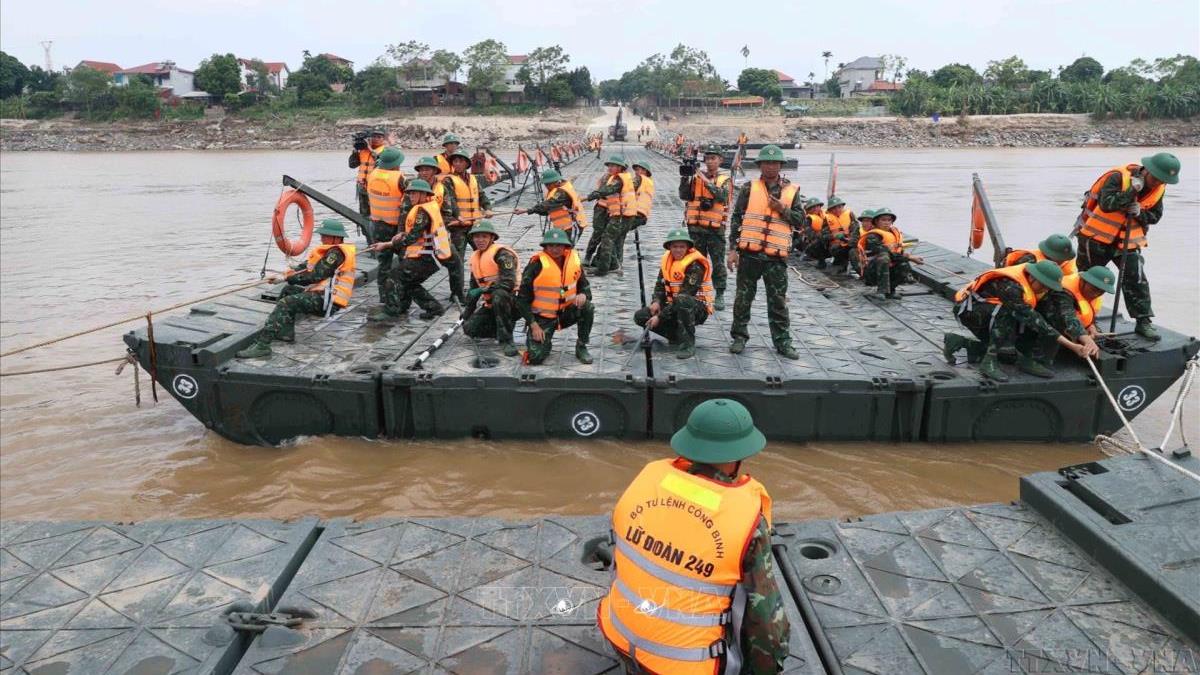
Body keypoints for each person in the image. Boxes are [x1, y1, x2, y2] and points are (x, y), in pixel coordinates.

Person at [597, 398, 789, 675]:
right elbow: (766, 621)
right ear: (739, 455)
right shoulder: (744, 519)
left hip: (620, 635)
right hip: (683, 664)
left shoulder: (648, 477)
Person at [1074, 152, 1180, 341]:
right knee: (1089, 280)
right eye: (1155, 178)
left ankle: (1143, 321)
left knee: (1136, 278)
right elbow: (1107, 204)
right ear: (1146, 170)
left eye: (1162, 180)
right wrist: (1132, 191)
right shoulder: (1117, 177)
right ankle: (1086, 320)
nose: (1157, 183)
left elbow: (1155, 217)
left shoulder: (1159, 188)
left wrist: (1139, 213)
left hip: (1127, 240)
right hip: (1096, 237)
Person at [944, 260, 1097, 381]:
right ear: (1032, 277)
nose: (1044, 290)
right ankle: (988, 361)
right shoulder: (1011, 286)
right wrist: (1072, 345)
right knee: (1008, 313)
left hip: (994, 314)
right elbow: (1032, 319)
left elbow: (1060, 313)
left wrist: (1084, 332)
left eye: (1048, 287)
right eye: (1043, 286)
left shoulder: (1035, 285)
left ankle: (961, 342)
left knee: (1009, 354)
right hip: (973, 312)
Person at [236, 220, 357, 359]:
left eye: (325, 235)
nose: (322, 238)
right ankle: (285, 333)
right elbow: (307, 267)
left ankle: (263, 345)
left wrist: (287, 278)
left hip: (329, 301)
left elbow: (316, 276)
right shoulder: (329, 251)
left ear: (336, 237)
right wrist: (285, 274)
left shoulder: (335, 254)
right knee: (288, 290)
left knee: (286, 303)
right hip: (323, 295)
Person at [727, 145, 804, 359]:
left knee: (778, 302)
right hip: (749, 255)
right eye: (767, 163)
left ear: (780, 165)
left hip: (776, 258)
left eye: (775, 163)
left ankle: (782, 342)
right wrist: (732, 250)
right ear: (760, 165)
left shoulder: (792, 191)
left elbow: (800, 221)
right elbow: (737, 219)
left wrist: (783, 209)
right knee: (743, 299)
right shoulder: (748, 188)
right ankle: (739, 337)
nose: (771, 167)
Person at [367, 179, 452, 321]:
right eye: (410, 194)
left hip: (425, 257)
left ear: (424, 194)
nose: (411, 197)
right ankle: (433, 308)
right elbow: (417, 233)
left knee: (393, 277)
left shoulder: (422, 212)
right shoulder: (428, 207)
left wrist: (387, 244)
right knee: (409, 283)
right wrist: (396, 238)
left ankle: (391, 311)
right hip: (431, 257)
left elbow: (412, 237)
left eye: (414, 194)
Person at [516, 228, 595, 365]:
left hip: (565, 313)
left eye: (558, 245)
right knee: (535, 357)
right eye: (551, 245)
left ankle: (581, 346)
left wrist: (583, 294)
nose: (555, 249)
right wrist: (533, 324)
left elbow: (584, 287)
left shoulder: (574, 261)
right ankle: (545, 343)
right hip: (542, 319)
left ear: (565, 247)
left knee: (587, 307)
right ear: (545, 247)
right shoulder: (535, 265)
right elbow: (522, 300)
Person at [634, 228, 713, 359]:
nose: (678, 250)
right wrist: (656, 302)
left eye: (682, 247)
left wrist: (660, 317)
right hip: (674, 305)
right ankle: (676, 336)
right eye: (675, 246)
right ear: (669, 247)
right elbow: (660, 285)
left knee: (682, 300)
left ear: (687, 247)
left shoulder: (695, 265)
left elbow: (685, 295)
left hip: (696, 308)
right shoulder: (667, 261)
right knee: (641, 316)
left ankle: (688, 345)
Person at [679, 145, 732, 310]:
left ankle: (720, 293)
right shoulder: (695, 178)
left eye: (713, 158)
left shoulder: (725, 180)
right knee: (695, 263)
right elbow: (684, 196)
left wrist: (704, 179)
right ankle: (693, 291)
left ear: (720, 160)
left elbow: (723, 196)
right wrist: (685, 179)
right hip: (695, 228)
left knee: (717, 263)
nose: (709, 162)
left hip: (715, 229)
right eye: (707, 158)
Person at [463, 221, 521, 357]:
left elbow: (508, 282)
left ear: (492, 238)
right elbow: (474, 288)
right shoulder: (475, 258)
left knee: (499, 295)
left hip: (513, 302)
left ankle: (507, 340)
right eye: (476, 237)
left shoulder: (503, 254)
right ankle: (500, 325)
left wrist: (483, 290)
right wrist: (467, 312)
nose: (480, 240)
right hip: (492, 304)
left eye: (484, 236)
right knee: (470, 329)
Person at [444, 149, 494, 304]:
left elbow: (482, 196)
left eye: (461, 161)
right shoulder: (448, 180)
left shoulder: (472, 179)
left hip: (475, 226)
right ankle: (457, 294)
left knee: (485, 254)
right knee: (457, 260)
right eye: (455, 161)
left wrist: (487, 208)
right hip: (458, 227)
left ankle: (480, 286)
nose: (457, 163)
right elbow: (450, 200)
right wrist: (457, 215)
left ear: (466, 163)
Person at [1036, 266, 1114, 364]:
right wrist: (1086, 339)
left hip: (1073, 327)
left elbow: (1087, 312)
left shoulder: (1092, 294)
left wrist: (1091, 326)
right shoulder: (1062, 291)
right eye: (1094, 289)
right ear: (1083, 281)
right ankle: (1038, 358)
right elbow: (1066, 316)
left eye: (1102, 291)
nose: (1096, 294)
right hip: (1044, 324)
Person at [364, 147, 407, 300]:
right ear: (396, 164)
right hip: (396, 226)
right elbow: (408, 199)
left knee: (384, 264)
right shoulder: (399, 178)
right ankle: (401, 293)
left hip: (376, 225)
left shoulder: (372, 174)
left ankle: (383, 296)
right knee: (404, 261)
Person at [584, 155, 637, 276]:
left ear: (620, 167)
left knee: (607, 239)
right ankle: (613, 265)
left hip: (623, 215)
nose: (610, 168)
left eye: (613, 166)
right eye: (609, 165)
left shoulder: (619, 179)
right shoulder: (616, 177)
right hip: (618, 213)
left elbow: (607, 190)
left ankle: (603, 269)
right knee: (609, 239)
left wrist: (591, 196)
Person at [857, 207, 923, 300]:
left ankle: (891, 290)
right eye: (883, 220)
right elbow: (885, 252)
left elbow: (898, 252)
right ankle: (881, 291)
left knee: (904, 265)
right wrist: (910, 257)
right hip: (872, 271)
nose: (886, 222)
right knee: (884, 257)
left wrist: (907, 258)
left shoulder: (894, 234)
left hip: (890, 267)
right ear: (876, 222)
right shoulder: (872, 236)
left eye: (889, 220)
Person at [514, 168, 588, 244]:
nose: (546, 186)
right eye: (545, 184)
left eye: (547, 184)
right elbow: (547, 210)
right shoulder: (556, 190)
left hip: (572, 226)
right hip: (562, 227)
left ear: (556, 182)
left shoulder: (562, 193)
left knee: (567, 250)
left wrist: (527, 210)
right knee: (559, 249)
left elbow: (548, 204)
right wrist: (533, 211)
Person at [612, 160, 655, 271]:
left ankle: (616, 262)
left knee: (615, 234)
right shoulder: (648, 182)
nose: (636, 171)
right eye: (636, 169)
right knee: (620, 234)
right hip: (641, 215)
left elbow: (627, 186)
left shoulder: (640, 179)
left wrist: (620, 177)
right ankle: (617, 262)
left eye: (639, 169)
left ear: (645, 171)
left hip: (636, 214)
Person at [349, 129, 387, 218]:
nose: (376, 139)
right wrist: (355, 152)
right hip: (362, 187)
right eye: (374, 136)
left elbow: (381, 162)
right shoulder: (362, 151)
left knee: (376, 213)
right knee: (364, 214)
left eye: (379, 137)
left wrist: (370, 149)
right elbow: (352, 165)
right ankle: (365, 230)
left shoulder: (385, 151)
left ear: (383, 139)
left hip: (376, 188)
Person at [1002, 234, 1077, 275]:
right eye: (1060, 258)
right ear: (1050, 255)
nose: (1064, 260)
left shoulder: (1067, 263)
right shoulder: (1029, 261)